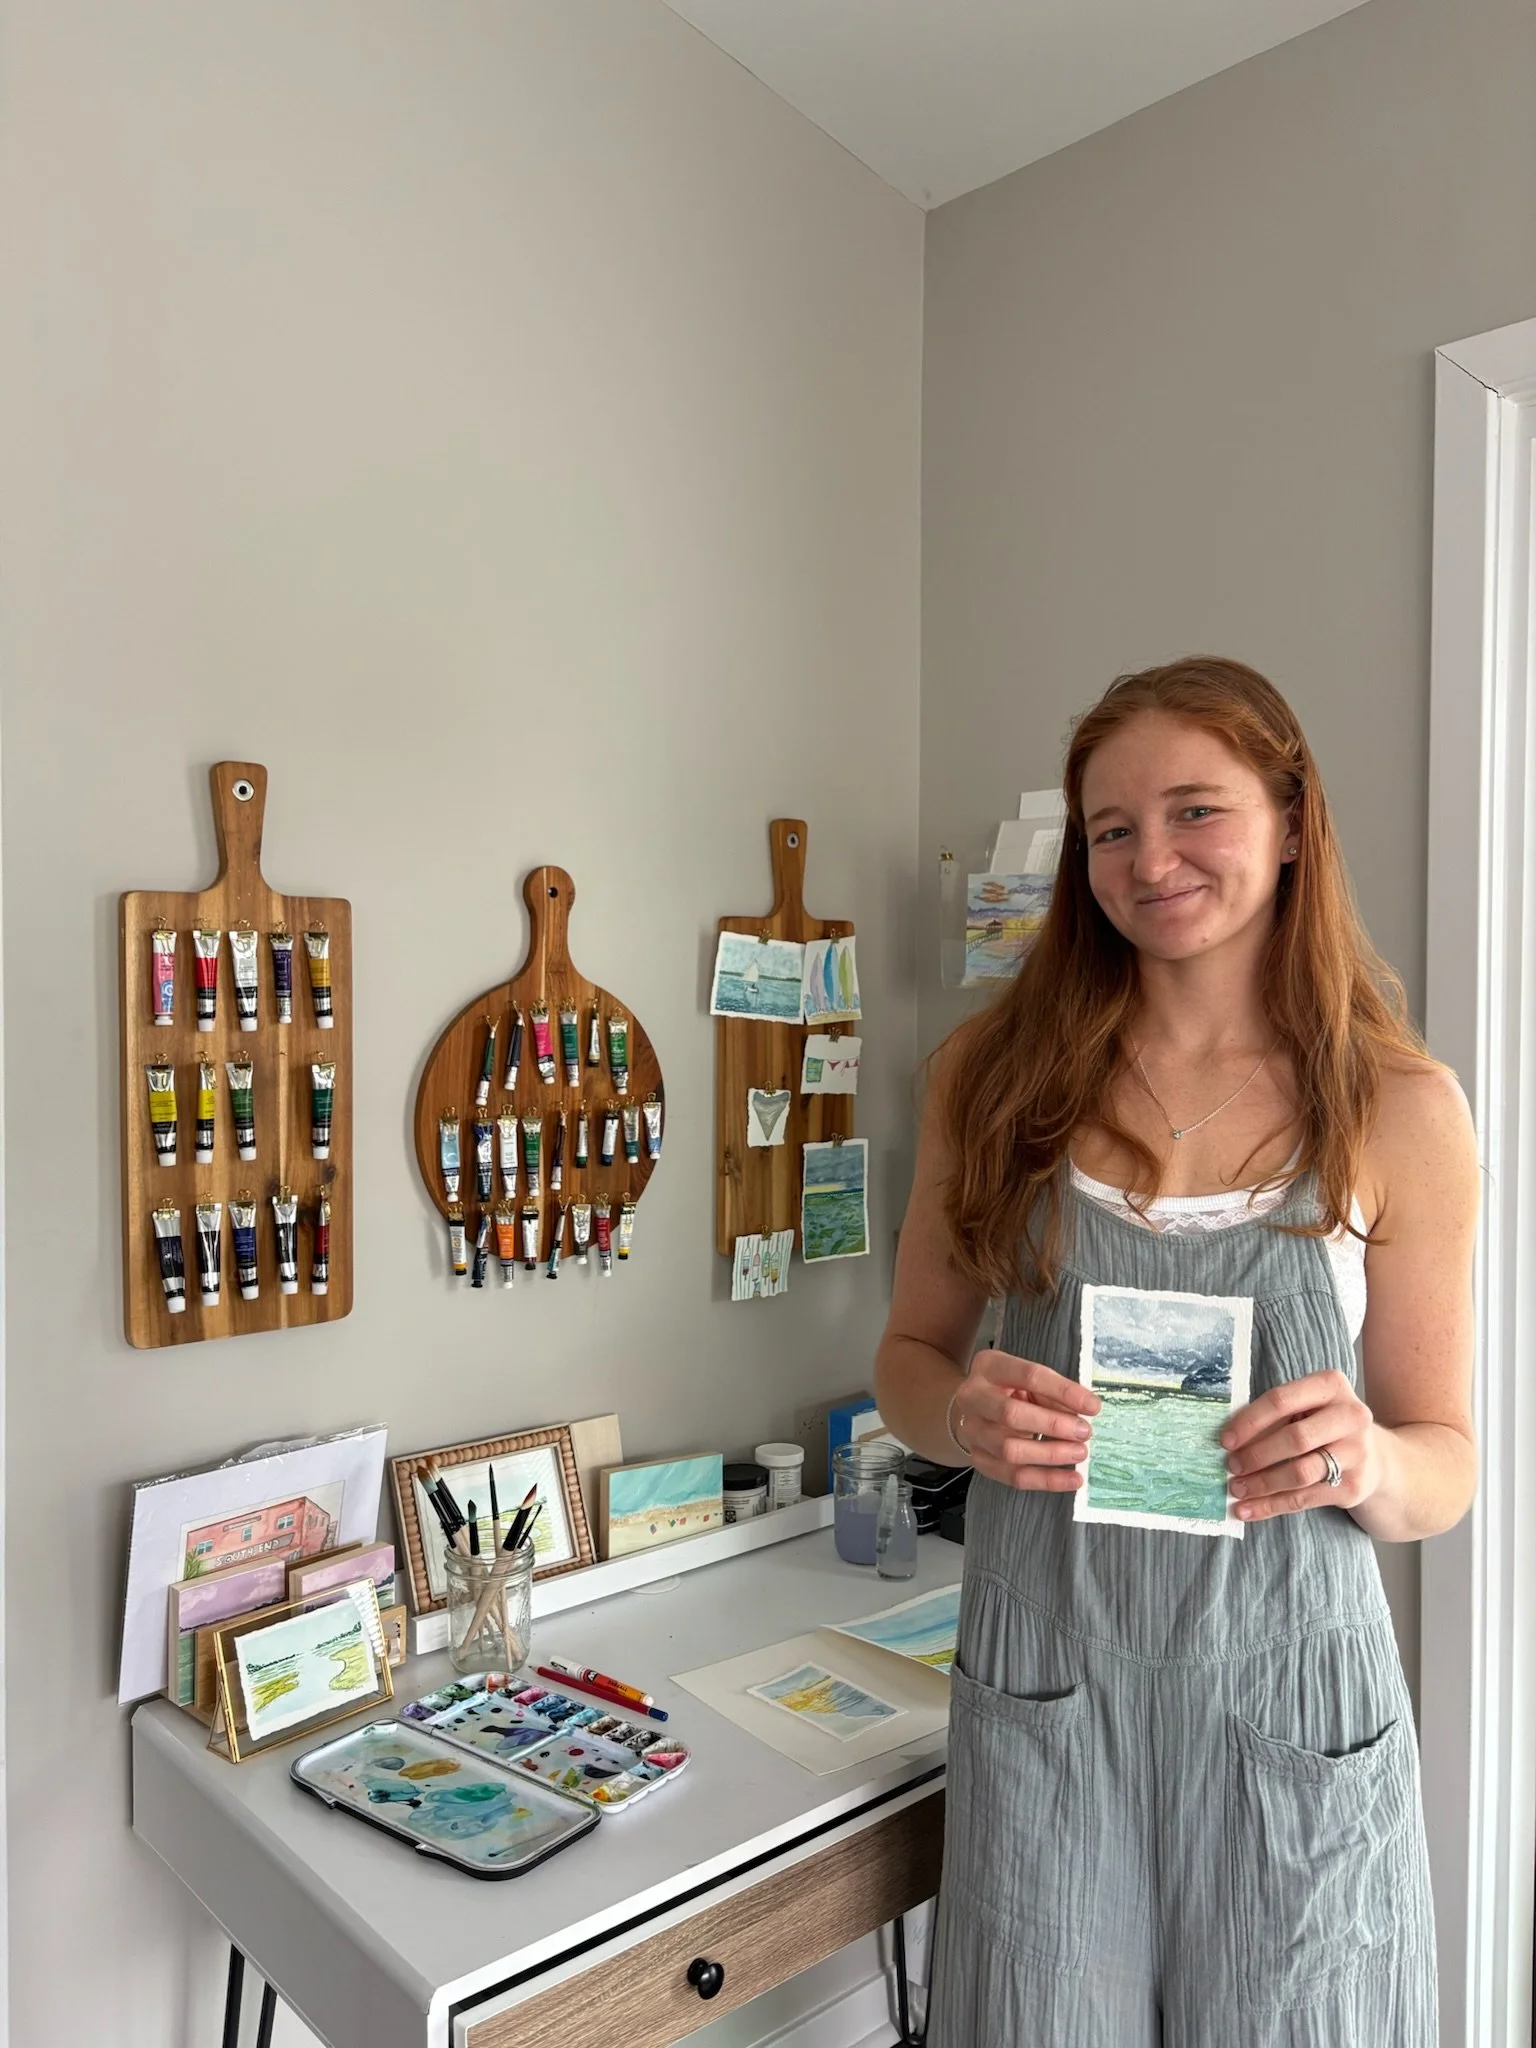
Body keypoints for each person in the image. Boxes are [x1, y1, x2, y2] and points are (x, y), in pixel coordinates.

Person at [874, 657, 1477, 2046]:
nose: (1152, 859)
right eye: (1112, 830)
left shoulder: (1398, 1110)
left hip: (1293, 1710)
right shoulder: (991, 1079)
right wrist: (957, 1415)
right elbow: (910, 1355)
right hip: (1047, 1695)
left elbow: (1446, 1467)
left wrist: (1369, 1456)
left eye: (1195, 810)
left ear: (1290, 819)